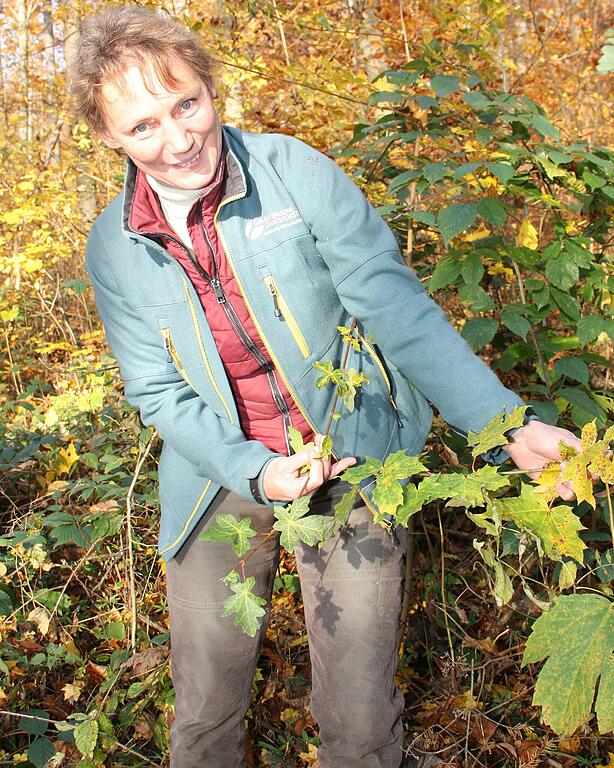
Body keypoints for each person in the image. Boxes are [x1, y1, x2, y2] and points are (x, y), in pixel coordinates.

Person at [72, 7, 582, 767]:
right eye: (143, 126)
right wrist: (256, 469)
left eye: (187, 104)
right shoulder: (114, 247)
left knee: (361, 714)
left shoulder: (292, 171)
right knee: (206, 710)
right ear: (108, 137)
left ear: (211, 88)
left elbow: (396, 307)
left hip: (353, 462)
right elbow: (156, 390)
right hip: (220, 478)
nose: (180, 139)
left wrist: (510, 424)